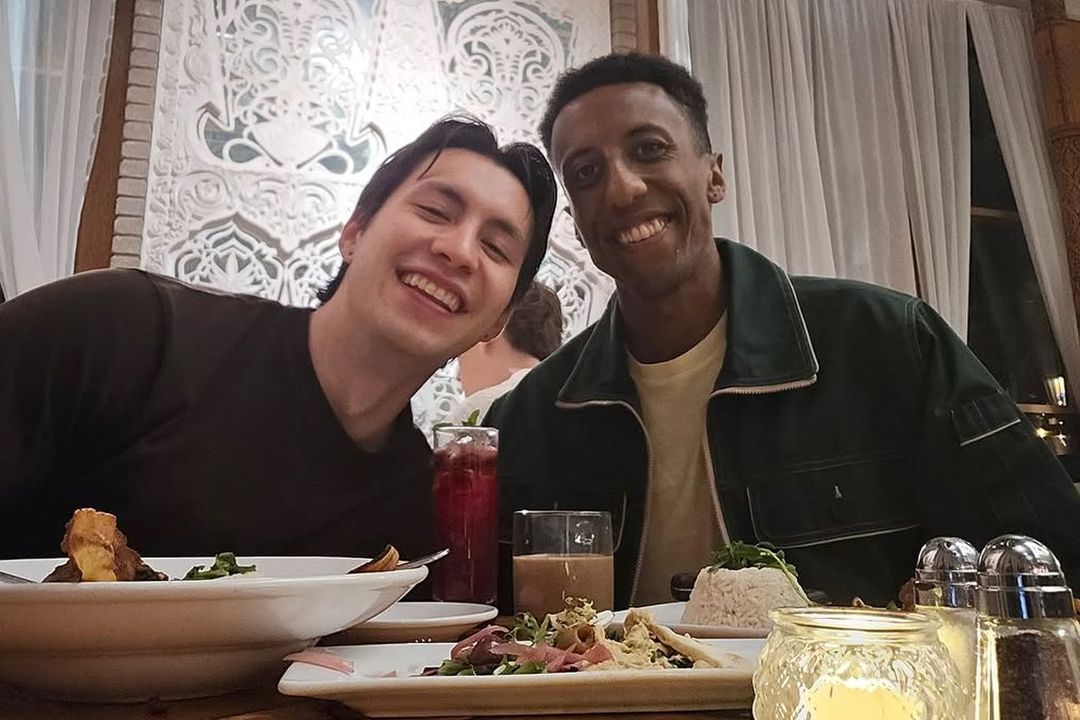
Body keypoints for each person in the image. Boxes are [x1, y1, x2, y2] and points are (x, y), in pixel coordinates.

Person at [487, 53, 1080, 609]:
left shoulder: (889, 343)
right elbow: (483, 629)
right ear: (577, 223)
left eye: (649, 150)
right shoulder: (533, 419)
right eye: (586, 173)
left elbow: (1051, 565)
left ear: (714, 175)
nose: (622, 188)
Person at [0, 117, 557, 562]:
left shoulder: (419, 517)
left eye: (495, 248)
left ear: (499, 320)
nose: (458, 250)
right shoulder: (126, 331)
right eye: (435, 211)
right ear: (355, 232)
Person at [447, 280, 563, 424]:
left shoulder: (479, 410)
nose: (458, 376)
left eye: (460, 353)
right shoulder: (568, 404)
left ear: (491, 327)